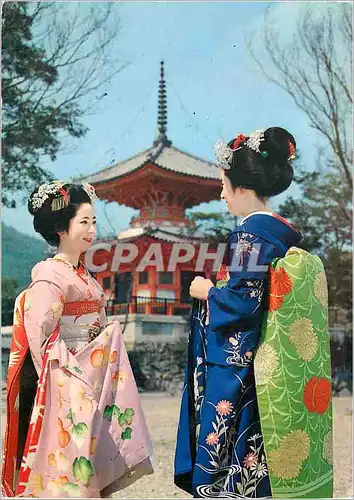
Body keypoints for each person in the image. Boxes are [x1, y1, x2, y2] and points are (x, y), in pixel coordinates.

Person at [174, 128, 333, 498]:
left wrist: (207, 290)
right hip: (268, 362)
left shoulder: (250, 237)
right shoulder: (276, 235)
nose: (221, 195)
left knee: (233, 461)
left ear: (241, 188)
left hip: (240, 366)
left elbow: (242, 301)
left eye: (223, 186)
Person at [2, 182, 154, 498]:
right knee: (67, 459)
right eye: (83, 222)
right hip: (66, 377)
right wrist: (66, 375)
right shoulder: (48, 275)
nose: (92, 230)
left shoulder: (83, 274)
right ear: (61, 228)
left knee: (88, 452)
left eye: (94, 222)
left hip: (91, 371)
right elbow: (41, 336)